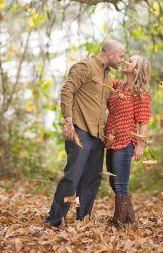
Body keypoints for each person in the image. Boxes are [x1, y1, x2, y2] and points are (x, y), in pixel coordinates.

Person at [45, 40, 126, 227]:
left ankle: (84, 221)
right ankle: (54, 220)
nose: (122, 60)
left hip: (98, 135)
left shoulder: (108, 79)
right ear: (110, 54)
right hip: (80, 130)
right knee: (73, 176)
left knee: (92, 180)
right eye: (121, 56)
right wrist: (68, 120)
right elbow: (67, 90)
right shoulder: (85, 67)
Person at [104, 55, 152, 225]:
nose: (126, 62)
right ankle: (130, 219)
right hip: (111, 140)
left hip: (125, 141)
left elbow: (144, 121)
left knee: (121, 183)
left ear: (137, 69)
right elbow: (106, 80)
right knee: (112, 179)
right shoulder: (120, 86)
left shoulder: (141, 93)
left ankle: (118, 221)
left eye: (130, 61)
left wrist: (140, 145)